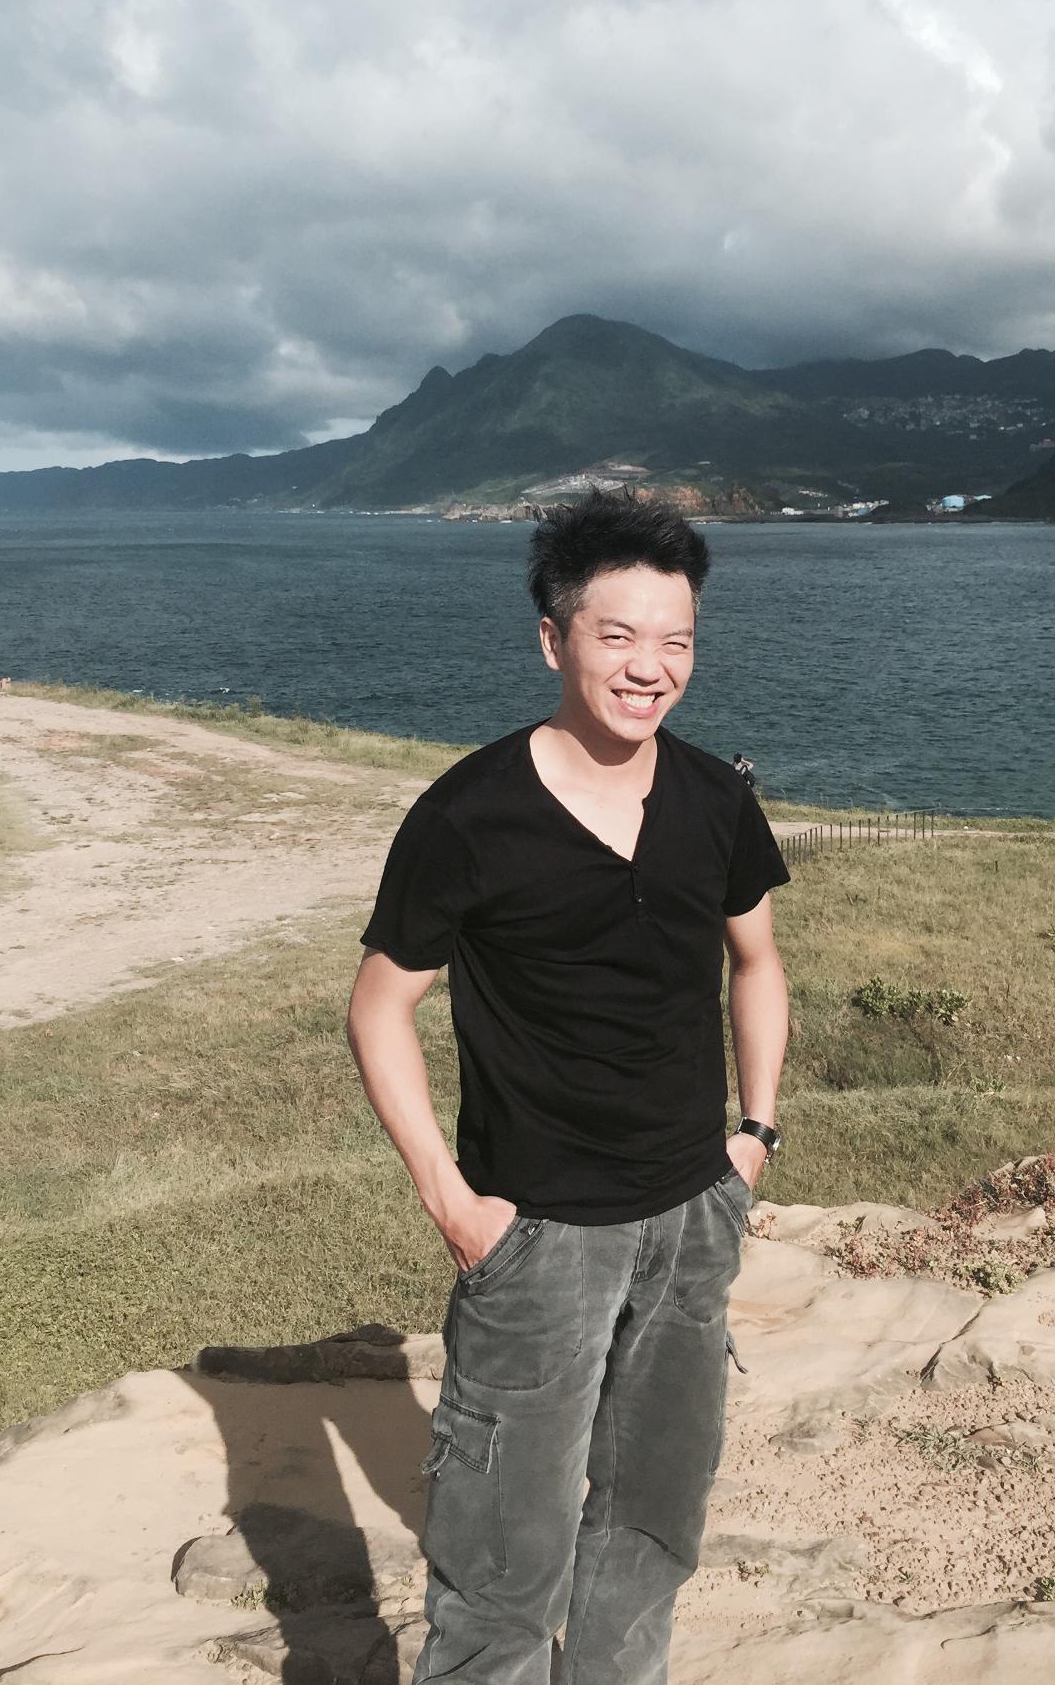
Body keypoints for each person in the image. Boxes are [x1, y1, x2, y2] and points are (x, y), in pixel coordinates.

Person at [348, 490, 791, 1685]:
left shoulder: (715, 798)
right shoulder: (468, 814)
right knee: (501, 1562)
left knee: (652, 1525)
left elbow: (757, 962)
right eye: (618, 634)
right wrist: (453, 1202)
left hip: (694, 1216)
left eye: (677, 640)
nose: (651, 666)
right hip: (537, 1236)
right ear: (554, 639)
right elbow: (378, 1006)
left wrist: (753, 1134)